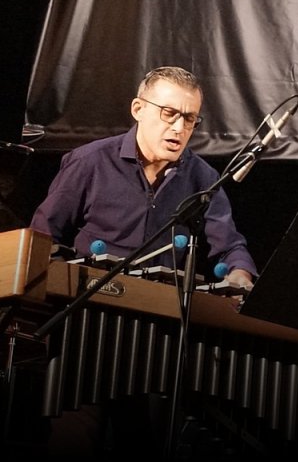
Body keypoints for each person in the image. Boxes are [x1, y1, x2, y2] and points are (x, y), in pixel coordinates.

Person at [30, 66, 258, 458]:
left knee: (145, 448)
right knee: (74, 444)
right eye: (169, 113)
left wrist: (240, 274)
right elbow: (44, 237)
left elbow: (229, 247)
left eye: (190, 118)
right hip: (84, 327)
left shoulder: (203, 179)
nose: (179, 128)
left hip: (157, 337)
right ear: (138, 109)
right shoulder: (90, 162)